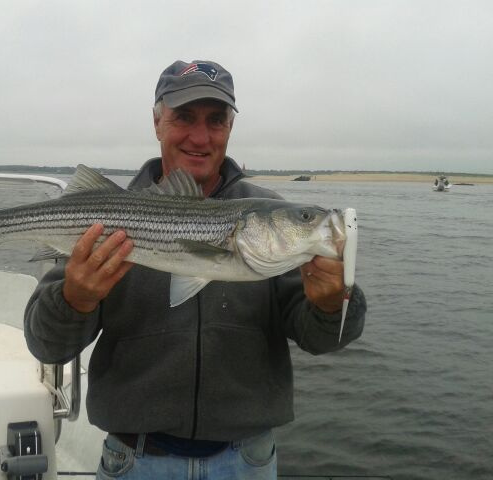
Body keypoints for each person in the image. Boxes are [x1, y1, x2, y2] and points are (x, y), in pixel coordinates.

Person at [24, 60, 367, 480]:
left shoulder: (268, 214)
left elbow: (322, 340)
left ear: (230, 127)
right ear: (156, 122)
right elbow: (46, 344)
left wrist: (334, 304)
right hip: (135, 459)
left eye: (216, 120)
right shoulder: (106, 214)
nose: (200, 137)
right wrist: (74, 300)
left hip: (246, 460)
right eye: (183, 117)